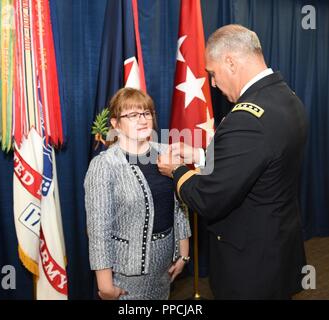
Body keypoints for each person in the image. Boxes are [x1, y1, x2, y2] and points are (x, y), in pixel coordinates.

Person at [158, 24, 308, 299]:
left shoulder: (247, 118)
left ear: (230, 61)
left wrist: (176, 170)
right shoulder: (286, 97)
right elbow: (259, 161)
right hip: (278, 246)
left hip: (251, 265)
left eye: (213, 74)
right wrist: (202, 155)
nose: (213, 84)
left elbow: (207, 198)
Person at [84, 87, 191, 300]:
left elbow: (180, 208)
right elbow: (98, 231)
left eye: (146, 113)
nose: (142, 120)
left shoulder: (165, 152)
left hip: (165, 268)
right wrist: (106, 287)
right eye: (132, 115)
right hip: (127, 275)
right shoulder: (104, 165)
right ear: (115, 124)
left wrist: (183, 255)